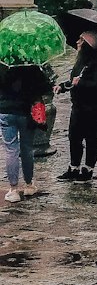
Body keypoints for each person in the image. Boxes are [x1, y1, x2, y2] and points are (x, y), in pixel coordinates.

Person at [57, 26, 97, 182]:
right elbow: (74, 80)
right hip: (79, 104)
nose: (77, 42)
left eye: (81, 39)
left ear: (88, 43)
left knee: (91, 137)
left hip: (95, 107)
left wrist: (81, 83)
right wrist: (62, 86)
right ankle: (73, 168)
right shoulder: (82, 60)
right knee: (74, 136)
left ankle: (88, 170)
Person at [0, 60, 49, 202]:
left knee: (11, 150)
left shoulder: (2, 64)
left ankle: (13, 189)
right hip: (26, 112)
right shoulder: (31, 66)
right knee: (27, 148)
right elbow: (43, 87)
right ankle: (28, 185)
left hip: (5, 111)